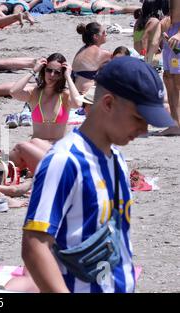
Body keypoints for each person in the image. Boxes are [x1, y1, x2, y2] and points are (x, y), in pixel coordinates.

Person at [21, 56, 176, 293]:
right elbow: (34, 246)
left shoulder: (117, 160)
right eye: (138, 118)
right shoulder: (65, 160)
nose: (144, 130)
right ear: (108, 103)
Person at [8, 53, 82, 174]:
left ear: (61, 74)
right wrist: (33, 71)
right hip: (35, 148)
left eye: (57, 72)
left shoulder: (65, 95)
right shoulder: (35, 93)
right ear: (44, 70)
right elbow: (13, 92)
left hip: (56, 148)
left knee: (22, 148)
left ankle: (34, 171)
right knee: (6, 163)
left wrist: (68, 76)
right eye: (49, 70)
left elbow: (78, 103)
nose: (52, 75)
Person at [157, 0, 180, 136]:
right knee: (169, 80)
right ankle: (175, 124)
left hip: (177, 33)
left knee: (177, 83)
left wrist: (178, 33)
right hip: (170, 32)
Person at [72, 22, 112, 94]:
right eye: (103, 32)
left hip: (74, 92)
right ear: (95, 36)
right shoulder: (101, 53)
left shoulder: (81, 50)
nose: (106, 34)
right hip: (86, 96)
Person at [133, 0, 168, 65]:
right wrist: (143, 56)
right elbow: (144, 38)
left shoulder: (138, 22)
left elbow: (137, 39)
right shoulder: (154, 21)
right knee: (165, 52)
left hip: (136, 54)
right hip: (147, 58)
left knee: (161, 37)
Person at [51, 0, 140, 14]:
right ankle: (143, 9)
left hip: (96, 8)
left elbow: (55, 8)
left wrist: (54, 1)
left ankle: (145, 9)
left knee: (123, 9)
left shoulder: (68, 1)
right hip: (98, 3)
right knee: (123, 10)